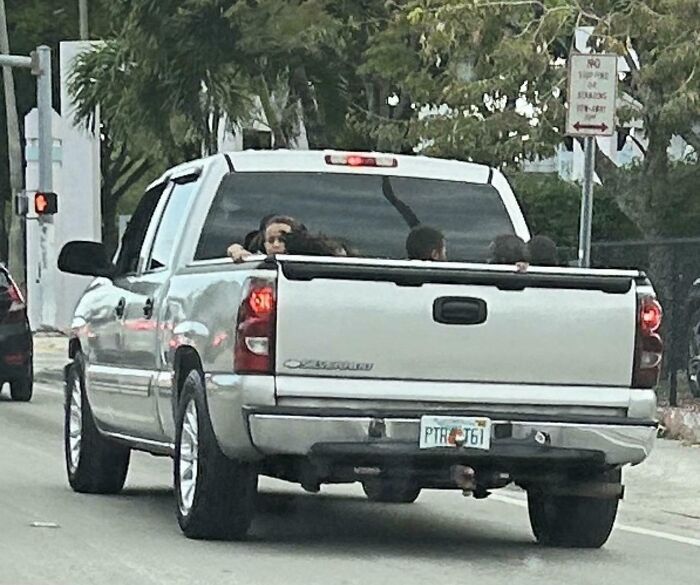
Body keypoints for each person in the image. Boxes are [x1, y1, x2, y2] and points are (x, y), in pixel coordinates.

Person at [227, 215, 304, 263]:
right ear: (264, 244)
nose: (276, 245)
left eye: (282, 240)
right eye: (270, 241)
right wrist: (237, 251)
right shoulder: (255, 259)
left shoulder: (308, 262)